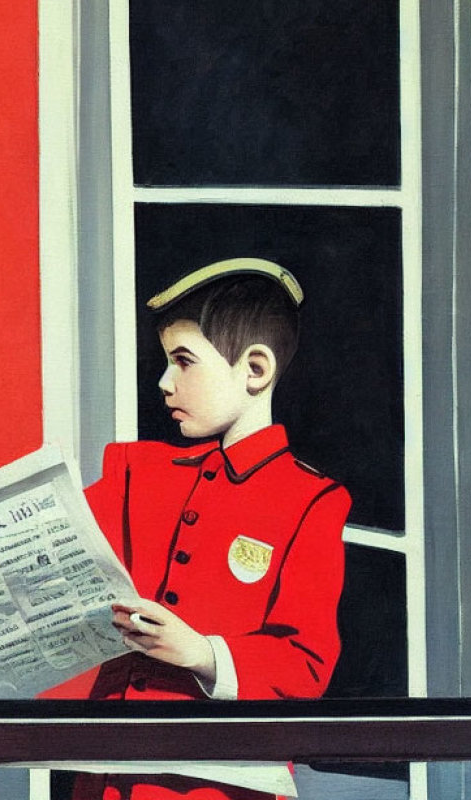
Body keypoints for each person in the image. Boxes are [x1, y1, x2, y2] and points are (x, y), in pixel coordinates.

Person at [74, 258, 351, 800]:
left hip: (223, 791)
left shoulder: (310, 500)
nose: (164, 382)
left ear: (255, 369)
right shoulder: (138, 474)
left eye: (183, 362)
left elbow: (306, 662)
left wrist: (202, 652)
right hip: (108, 783)